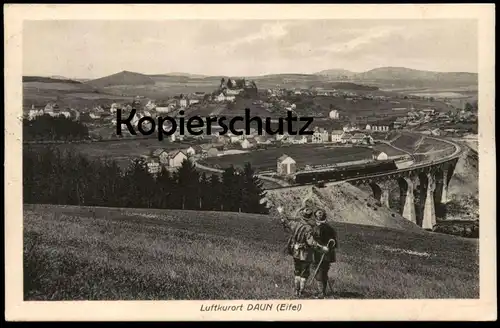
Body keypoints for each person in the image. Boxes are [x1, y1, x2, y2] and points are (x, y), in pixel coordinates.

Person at [276, 205, 329, 298]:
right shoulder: (308, 228)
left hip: (295, 251)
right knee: (304, 273)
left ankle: (296, 291)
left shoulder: (295, 224)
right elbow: (311, 242)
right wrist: (322, 247)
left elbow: (285, 221)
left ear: (302, 215)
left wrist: (281, 212)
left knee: (297, 271)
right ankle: (301, 292)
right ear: (310, 217)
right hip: (306, 253)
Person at [310, 208, 338, 298]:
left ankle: (321, 293)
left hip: (325, 254)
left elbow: (334, 241)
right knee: (317, 270)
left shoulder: (329, 228)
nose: (319, 215)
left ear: (324, 215)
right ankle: (321, 292)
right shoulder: (313, 226)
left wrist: (328, 247)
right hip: (315, 252)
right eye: (318, 214)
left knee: (322, 271)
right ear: (315, 215)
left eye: (321, 214)